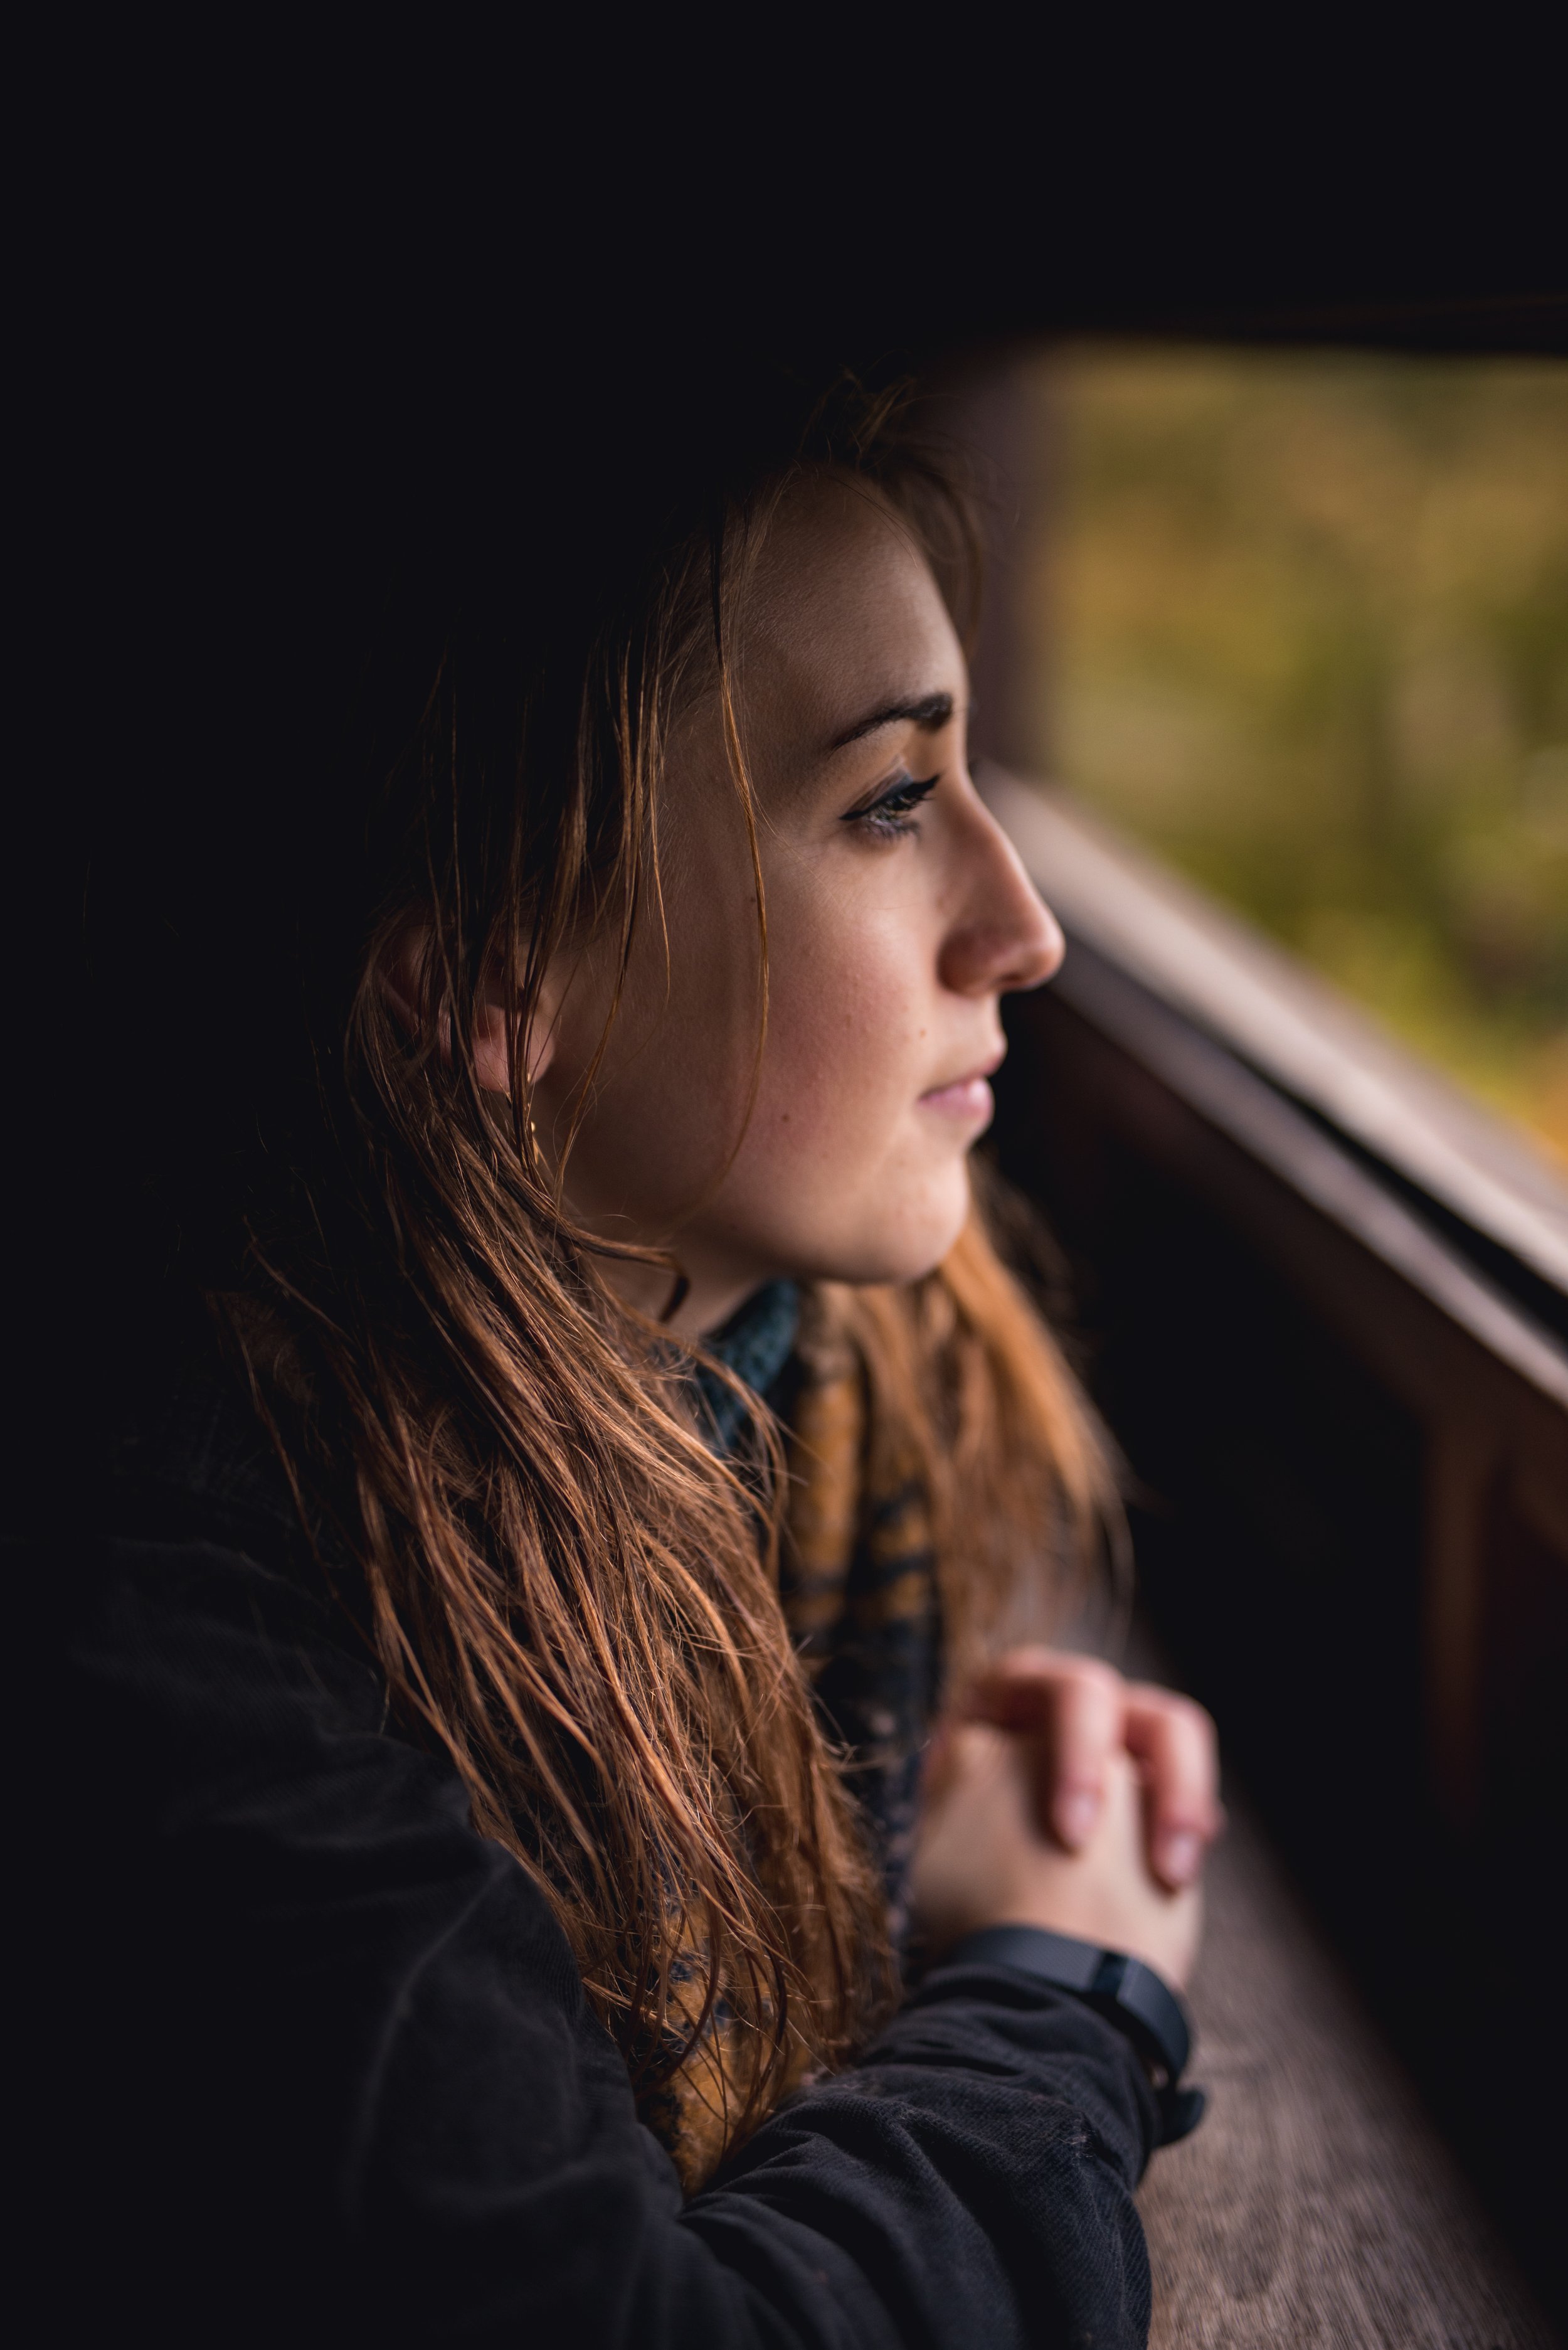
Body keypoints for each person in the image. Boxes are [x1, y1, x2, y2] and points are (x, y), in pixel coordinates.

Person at [53, 375, 1221, 2346]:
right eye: (884, 802)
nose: (1019, 929)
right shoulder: (194, 1626)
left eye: (969, 777)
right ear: (492, 981)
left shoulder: (828, 1385)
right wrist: (1059, 1987)